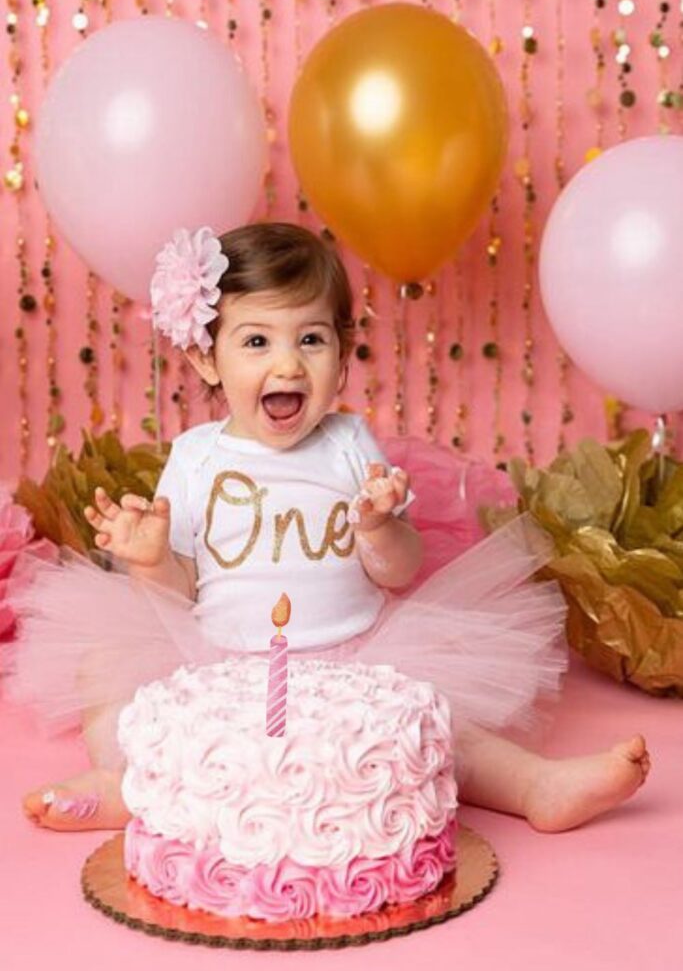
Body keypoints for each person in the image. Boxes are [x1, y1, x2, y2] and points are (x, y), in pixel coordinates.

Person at [8, 222, 650, 833]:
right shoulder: (197, 457)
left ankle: (537, 787)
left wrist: (378, 529)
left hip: (357, 661)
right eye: (257, 341)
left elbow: (399, 573)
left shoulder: (349, 445)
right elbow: (177, 594)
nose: (287, 366)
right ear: (208, 361)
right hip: (219, 663)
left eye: (310, 340)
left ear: (342, 357)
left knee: (439, 729)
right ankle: (120, 780)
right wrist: (151, 560)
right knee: (104, 671)